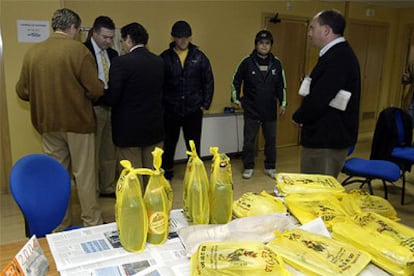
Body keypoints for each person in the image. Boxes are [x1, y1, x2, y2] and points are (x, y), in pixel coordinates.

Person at [16, 8, 104, 227]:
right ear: (73, 27)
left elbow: (21, 91)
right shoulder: (78, 51)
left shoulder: (33, 52)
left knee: (57, 177)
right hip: (78, 124)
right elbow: (95, 90)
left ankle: (60, 223)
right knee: (84, 176)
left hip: (47, 124)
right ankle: (91, 222)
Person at [292, 9, 361, 178]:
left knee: (317, 194)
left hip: (326, 142)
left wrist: (299, 116)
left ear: (326, 30)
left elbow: (320, 98)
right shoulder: (334, 54)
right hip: (323, 138)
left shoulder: (339, 57)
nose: (309, 34)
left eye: (312, 28)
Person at [103, 22, 164, 190]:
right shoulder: (159, 62)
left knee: (133, 177)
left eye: (121, 41)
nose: (121, 45)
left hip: (128, 130)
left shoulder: (120, 63)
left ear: (128, 39)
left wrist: (98, 93)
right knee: (153, 175)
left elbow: (113, 97)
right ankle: (154, 212)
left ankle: (137, 214)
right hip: (154, 127)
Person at [160, 20, 214, 180]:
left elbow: (208, 81)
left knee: (193, 144)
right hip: (171, 109)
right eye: (179, 37)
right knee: (168, 143)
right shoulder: (165, 57)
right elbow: (159, 84)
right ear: (173, 38)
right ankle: (167, 171)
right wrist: (161, 106)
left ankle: (194, 173)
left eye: (186, 37)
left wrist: (205, 104)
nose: (183, 40)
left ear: (190, 38)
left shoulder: (200, 57)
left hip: (193, 109)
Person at [231, 30, 287, 179]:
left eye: (267, 43)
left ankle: (270, 167)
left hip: (269, 110)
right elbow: (235, 81)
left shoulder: (277, 63)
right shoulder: (247, 62)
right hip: (252, 110)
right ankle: (248, 166)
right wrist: (237, 99)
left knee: (271, 141)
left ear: (271, 46)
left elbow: (281, 85)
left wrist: (283, 103)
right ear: (256, 44)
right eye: (261, 43)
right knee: (249, 141)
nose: (264, 46)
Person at [84, 16, 119, 198]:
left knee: (109, 150)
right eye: (105, 37)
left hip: (111, 107)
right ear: (94, 33)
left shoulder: (112, 54)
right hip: (92, 108)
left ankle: (107, 186)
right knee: (92, 153)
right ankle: (93, 189)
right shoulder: (83, 51)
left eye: (111, 37)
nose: (108, 41)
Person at [402, 59, 414, 127]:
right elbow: (406, 80)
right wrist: (406, 78)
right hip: (412, 101)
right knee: (408, 123)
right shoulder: (412, 64)